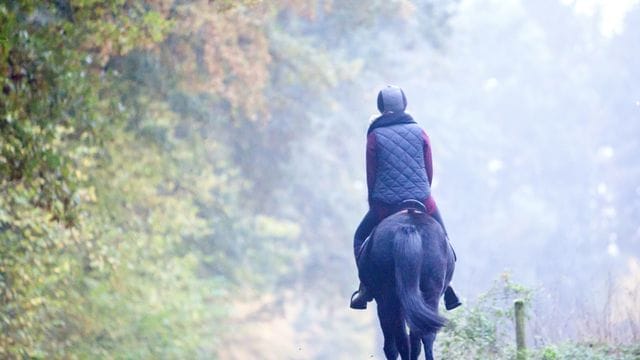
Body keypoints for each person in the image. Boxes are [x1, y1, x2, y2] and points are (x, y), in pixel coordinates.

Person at [350, 85, 461, 311]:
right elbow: (428, 168)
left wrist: (375, 203)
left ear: (381, 107)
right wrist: (424, 195)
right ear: (404, 104)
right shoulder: (420, 131)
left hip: (385, 205)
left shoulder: (374, 135)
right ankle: (447, 286)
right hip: (421, 200)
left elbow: (371, 173)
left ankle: (365, 288)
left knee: (360, 238)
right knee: (444, 241)